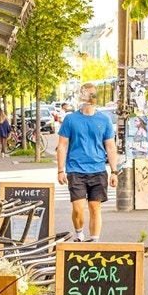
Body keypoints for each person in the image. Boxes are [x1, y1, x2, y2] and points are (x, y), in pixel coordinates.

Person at [56, 84, 116, 242]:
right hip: (76, 170)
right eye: (87, 94)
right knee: (78, 208)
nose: (90, 98)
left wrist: (114, 171)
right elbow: (62, 145)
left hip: (98, 169)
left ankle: (94, 242)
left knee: (95, 207)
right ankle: (79, 234)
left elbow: (110, 146)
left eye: (93, 95)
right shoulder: (71, 119)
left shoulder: (104, 120)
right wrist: (60, 170)